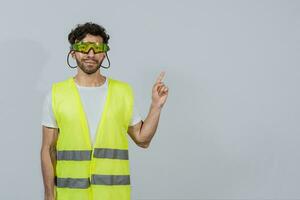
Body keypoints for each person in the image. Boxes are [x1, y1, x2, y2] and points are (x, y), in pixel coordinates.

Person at [40, 22, 169, 200]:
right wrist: (49, 194)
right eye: (84, 47)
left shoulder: (123, 92)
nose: (91, 54)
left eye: (97, 48)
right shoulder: (56, 95)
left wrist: (156, 106)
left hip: (113, 195)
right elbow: (48, 149)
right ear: (73, 52)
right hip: (71, 195)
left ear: (104, 53)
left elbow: (143, 140)